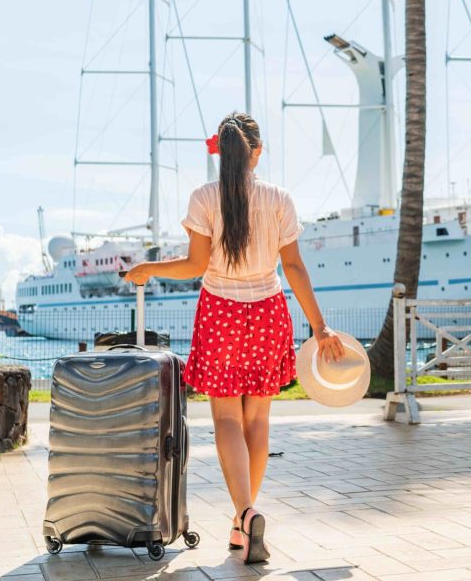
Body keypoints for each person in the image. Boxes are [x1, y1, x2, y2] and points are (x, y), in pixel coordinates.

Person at [125, 111, 345, 564]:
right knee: (257, 422)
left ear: (221, 153)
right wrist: (319, 327)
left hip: (221, 313)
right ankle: (242, 520)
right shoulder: (279, 198)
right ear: (257, 152)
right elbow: (295, 268)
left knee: (226, 420)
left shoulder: (204, 197)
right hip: (268, 313)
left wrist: (149, 268)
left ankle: (244, 514)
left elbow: (194, 266)